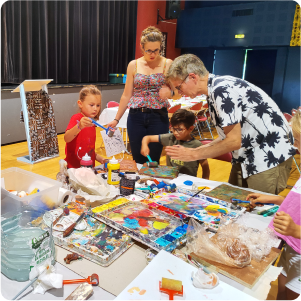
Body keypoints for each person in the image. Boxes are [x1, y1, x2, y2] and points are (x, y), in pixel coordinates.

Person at [164, 54, 295, 194]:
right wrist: (195, 151)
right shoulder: (214, 90)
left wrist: (193, 155)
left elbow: (233, 141)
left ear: (193, 77)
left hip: (267, 156)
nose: (179, 92)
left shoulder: (221, 90)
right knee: (233, 200)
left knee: (256, 208)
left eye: (179, 87)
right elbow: (228, 136)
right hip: (246, 155)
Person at [246, 111, 301, 301]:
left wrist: (296, 230)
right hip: (291, 245)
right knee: (282, 288)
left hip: (299, 249)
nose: (295, 146)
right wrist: (274, 199)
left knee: (293, 294)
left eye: (299, 141)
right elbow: (297, 199)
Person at [107, 26, 172, 164]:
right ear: (142, 48)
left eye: (156, 50)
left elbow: (178, 92)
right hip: (136, 116)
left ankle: (152, 184)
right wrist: (116, 119)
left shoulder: (168, 64)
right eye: (148, 50)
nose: (152, 54)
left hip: (158, 117)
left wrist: (171, 92)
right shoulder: (134, 65)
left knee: (153, 159)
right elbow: (126, 95)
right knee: (137, 158)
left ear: (161, 47)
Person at [141, 109, 210, 178]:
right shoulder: (170, 138)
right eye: (173, 129)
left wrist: (204, 182)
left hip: (187, 182)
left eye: (180, 129)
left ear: (191, 128)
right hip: (170, 179)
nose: (175, 133)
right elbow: (147, 138)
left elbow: (205, 167)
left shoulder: (197, 145)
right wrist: (144, 145)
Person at [64, 85, 105, 168]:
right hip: (74, 168)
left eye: (98, 105)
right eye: (91, 105)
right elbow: (67, 138)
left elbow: (89, 150)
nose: (95, 109)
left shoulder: (92, 123)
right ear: (80, 104)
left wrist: (101, 159)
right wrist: (79, 126)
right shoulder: (77, 118)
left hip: (88, 167)